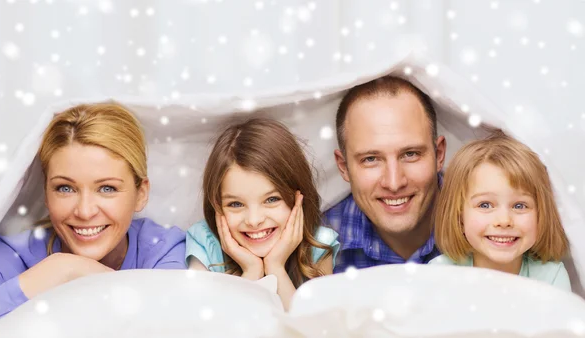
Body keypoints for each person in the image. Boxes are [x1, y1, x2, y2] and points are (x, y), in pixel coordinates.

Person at [0, 103, 187, 329]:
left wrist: (83, 274)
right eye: (65, 188)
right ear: (46, 193)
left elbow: (169, 326)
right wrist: (58, 270)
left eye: (107, 188)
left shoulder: (165, 249)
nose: (85, 211)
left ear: (141, 193)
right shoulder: (7, 255)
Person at [186, 118, 340, 310]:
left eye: (271, 199)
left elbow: (311, 330)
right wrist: (252, 271)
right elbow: (215, 329)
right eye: (235, 204)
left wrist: (276, 268)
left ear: (297, 198)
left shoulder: (318, 245)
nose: (254, 220)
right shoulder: (204, 243)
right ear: (217, 206)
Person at [325, 76, 446, 273]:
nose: (394, 183)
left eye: (410, 154)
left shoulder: (492, 222)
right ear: (343, 167)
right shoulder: (315, 245)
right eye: (371, 159)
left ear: (439, 154)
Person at [430, 131, 571, 291]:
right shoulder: (440, 273)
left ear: (541, 214)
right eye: (485, 205)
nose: (504, 221)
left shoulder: (551, 278)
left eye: (519, 206)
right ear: (459, 216)